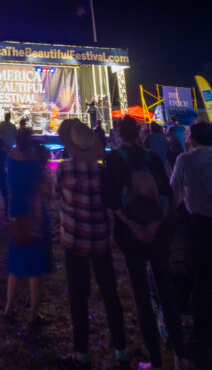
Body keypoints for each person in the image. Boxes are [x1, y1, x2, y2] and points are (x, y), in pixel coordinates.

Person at [102, 115, 189, 370]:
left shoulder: (114, 159)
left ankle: (155, 360)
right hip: (157, 231)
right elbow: (165, 193)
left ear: (119, 135)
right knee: (167, 291)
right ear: (139, 134)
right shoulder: (152, 157)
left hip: (131, 235)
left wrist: (134, 227)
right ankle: (180, 355)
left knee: (142, 295)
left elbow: (112, 201)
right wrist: (154, 224)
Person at [56, 118, 128, 369]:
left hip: (74, 241)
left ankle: (81, 353)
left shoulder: (64, 170)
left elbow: (57, 195)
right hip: (100, 240)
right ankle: (122, 350)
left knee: (78, 296)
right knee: (111, 296)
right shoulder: (103, 172)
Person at [170, 119, 212, 366]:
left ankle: (201, 336)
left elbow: (174, 193)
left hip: (201, 225)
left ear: (192, 138)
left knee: (203, 280)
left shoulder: (186, 160)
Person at [3, 126, 52, 326]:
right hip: (35, 217)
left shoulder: (10, 159)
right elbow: (46, 191)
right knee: (36, 270)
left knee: (15, 265)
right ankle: (33, 314)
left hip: (16, 214)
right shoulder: (33, 165)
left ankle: (8, 308)